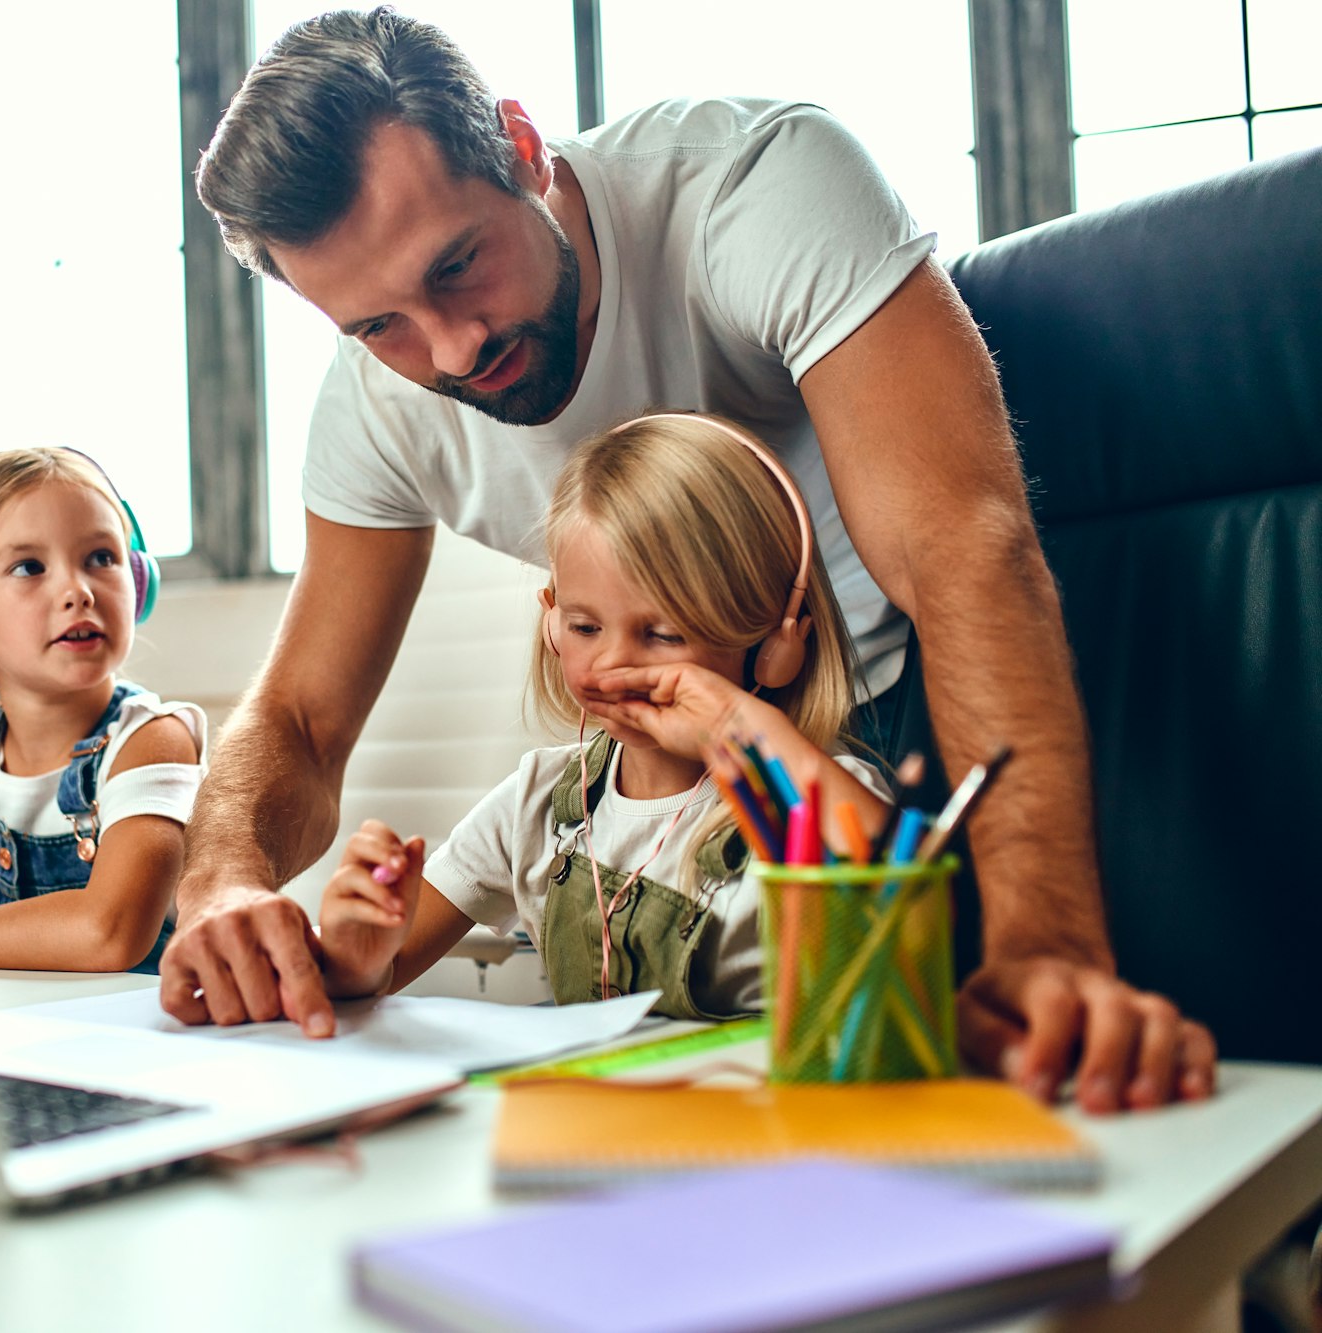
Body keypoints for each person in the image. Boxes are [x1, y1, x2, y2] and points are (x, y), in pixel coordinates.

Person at [168, 6, 1215, 1111]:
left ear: (520, 148)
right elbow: (300, 719)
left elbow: (959, 552)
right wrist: (221, 882)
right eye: (378, 325)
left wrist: (1044, 945)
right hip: (662, 817)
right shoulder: (376, 411)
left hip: (900, 730)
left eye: (459, 264)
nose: (453, 348)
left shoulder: (753, 188)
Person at [317, 413, 891, 1014]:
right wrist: (358, 956)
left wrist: (739, 729)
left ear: (773, 648)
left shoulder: (815, 795)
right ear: (551, 621)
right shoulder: (537, 803)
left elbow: (919, 928)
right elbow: (376, 975)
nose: (612, 662)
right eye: (585, 627)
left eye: (664, 634)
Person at [0, 448, 206, 973]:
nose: (77, 591)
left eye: (101, 558)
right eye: (29, 567)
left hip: (130, 1023)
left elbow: (109, 933)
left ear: (139, 581)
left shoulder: (151, 741)